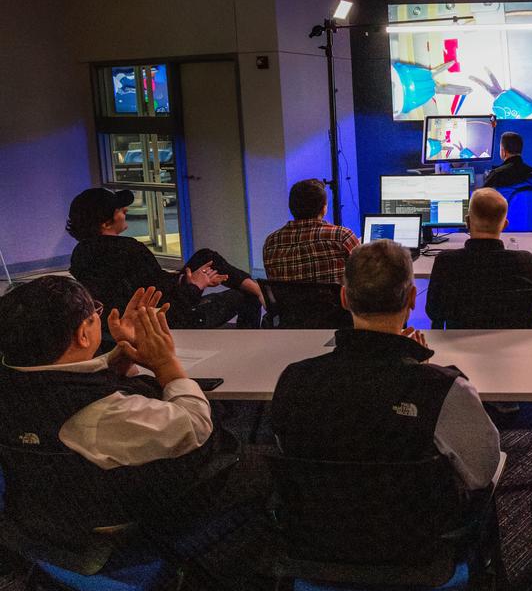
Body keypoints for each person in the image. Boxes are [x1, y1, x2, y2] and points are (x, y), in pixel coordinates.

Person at [272, 240, 501, 496]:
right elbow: (482, 472)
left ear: (344, 298)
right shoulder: (444, 388)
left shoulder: (293, 379)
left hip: (317, 526)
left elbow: (288, 453)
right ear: (413, 298)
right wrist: (420, 374)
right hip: (420, 529)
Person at [0, 279, 222, 537]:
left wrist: (123, 354)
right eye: (95, 312)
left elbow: (73, 381)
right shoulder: (98, 412)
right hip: (114, 524)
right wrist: (166, 364)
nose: (98, 315)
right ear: (84, 334)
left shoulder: (15, 383)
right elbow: (195, 427)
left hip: (38, 516)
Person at [68, 187, 262, 330]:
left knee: (206, 257)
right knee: (247, 297)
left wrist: (183, 279)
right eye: (119, 210)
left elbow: (148, 284)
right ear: (105, 222)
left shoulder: (80, 253)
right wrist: (195, 285)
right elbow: (167, 303)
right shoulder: (128, 249)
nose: (125, 211)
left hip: (134, 319)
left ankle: (261, 291)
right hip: (166, 322)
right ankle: (262, 296)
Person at [426, 188, 532, 329]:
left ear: (468, 222)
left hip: (463, 346)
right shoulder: (527, 261)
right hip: (518, 347)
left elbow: (434, 311)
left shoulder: (446, 262)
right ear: (504, 225)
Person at [262, 179, 359, 285]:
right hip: (333, 302)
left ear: (291, 207)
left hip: (291, 302)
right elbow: (365, 276)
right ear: (324, 209)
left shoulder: (271, 242)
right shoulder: (341, 236)